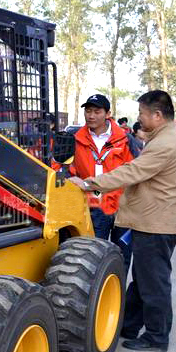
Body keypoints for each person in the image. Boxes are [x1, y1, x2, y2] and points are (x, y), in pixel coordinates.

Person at [68, 90, 176, 352]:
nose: (139, 119)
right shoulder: (165, 138)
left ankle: (157, 337)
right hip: (155, 218)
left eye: (142, 114)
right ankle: (130, 326)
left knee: (153, 281)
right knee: (143, 277)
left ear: (157, 115)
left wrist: (91, 183)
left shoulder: (165, 144)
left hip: (157, 222)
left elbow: (132, 171)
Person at [70, 93, 134, 273]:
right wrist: (71, 177)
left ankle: (116, 293)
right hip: (93, 205)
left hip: (123, 207)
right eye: (88, 111)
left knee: (122, 255)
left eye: (96, 111)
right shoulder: (74, 138)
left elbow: (138, 170)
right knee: (92, 255)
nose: (91, 116)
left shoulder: (126, 139)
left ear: (107, 114)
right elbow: (62, 166)